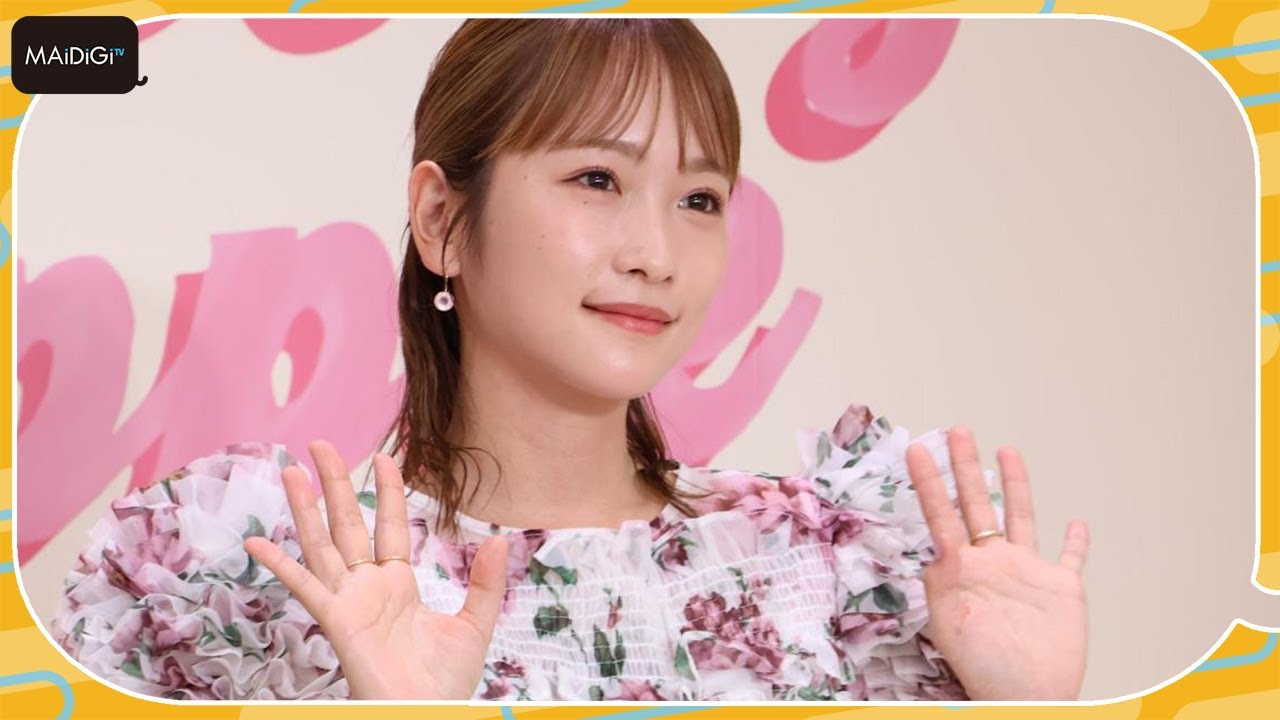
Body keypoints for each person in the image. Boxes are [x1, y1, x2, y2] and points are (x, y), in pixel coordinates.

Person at [48, 18, 1090, 702]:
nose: (655, 253)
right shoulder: (261, 577)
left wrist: (1032, 707)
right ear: (441, 219)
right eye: (597, 179)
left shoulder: (827, 568)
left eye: (699, 199)